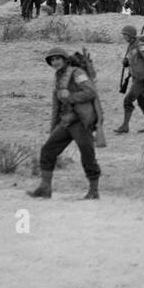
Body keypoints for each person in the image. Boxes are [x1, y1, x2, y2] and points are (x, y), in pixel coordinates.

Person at [29, 46, 101, 200]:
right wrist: (53, 128)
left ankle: (94, 191)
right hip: (66, 121)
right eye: (52, 60)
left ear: (64, 59)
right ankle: (45, 187)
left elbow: (90, 92)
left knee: (87, 155)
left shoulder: (77, 73)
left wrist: (70, 96)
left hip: (80, 121)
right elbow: (56, 106)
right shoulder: (59, 77)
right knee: (47, 150)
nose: (55, 62)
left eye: (57, 59)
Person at [116, 24, 144, 133]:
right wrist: (126, 62)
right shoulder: (131, 46)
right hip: (136, 77)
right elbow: (134, 60)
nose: (124, 37)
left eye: (125, 35)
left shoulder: (140, 46)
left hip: (141, 79)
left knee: (128, 100)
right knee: (143, 101)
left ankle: (125, 126)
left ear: (130, 35)